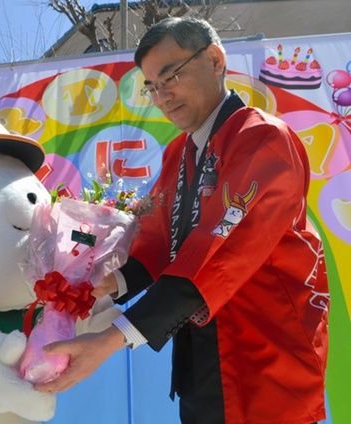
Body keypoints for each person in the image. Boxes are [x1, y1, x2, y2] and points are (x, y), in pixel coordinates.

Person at [35, 17, 329, 424]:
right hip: (202, 359)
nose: (162, 96)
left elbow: (216, 254)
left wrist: (109, 341)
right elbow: (157, 242)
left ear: (214, 60)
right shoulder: (179, 153)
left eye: (170, 76)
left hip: (264, 356)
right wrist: (97, 286)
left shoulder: (262, 139)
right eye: (152, 87)